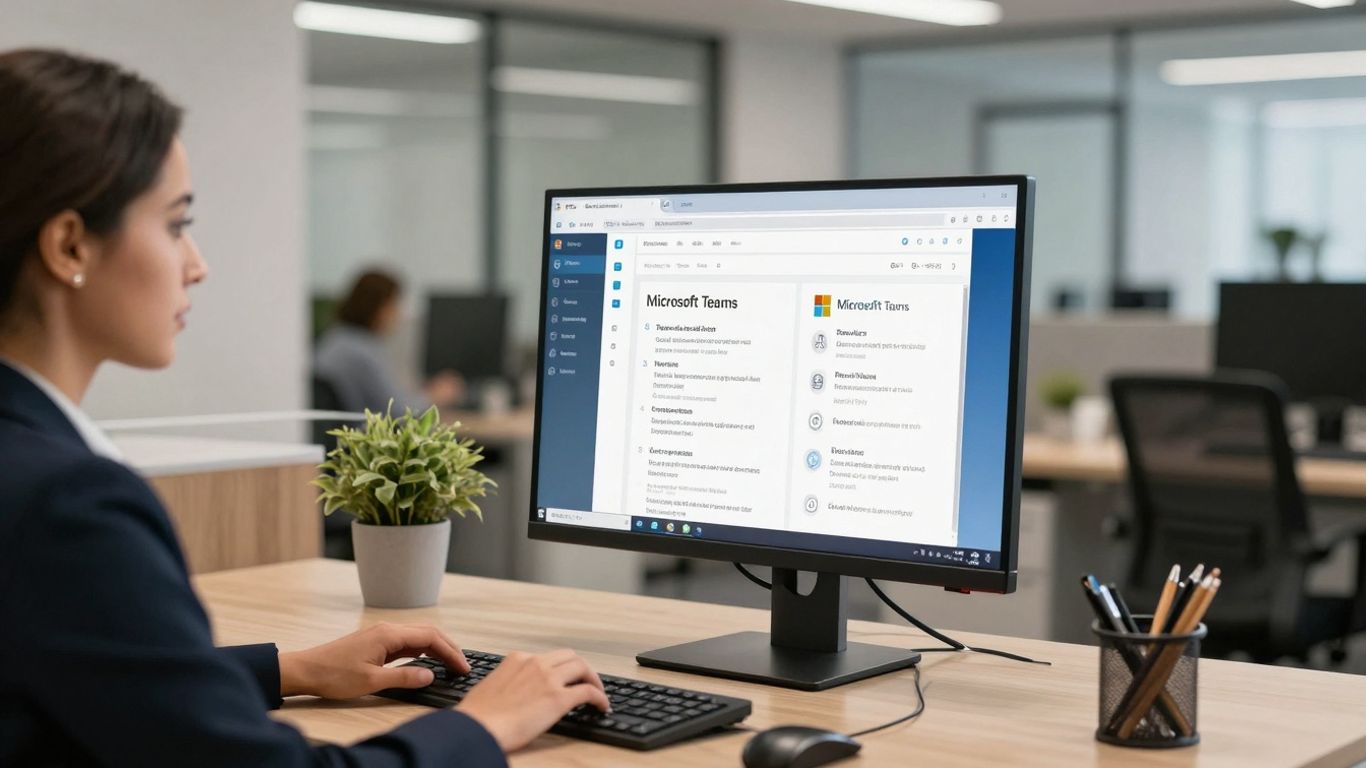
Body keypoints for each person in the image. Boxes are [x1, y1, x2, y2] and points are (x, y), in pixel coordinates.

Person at [0, 48, 608, 766]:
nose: (197, 264)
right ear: (70, 244)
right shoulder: (68, 507)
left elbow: (75, 675)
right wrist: (484, 725)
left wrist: (288, 669)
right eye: (174, 225)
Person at [315, 269, 464, 413]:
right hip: (363, 433)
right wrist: (436, 396)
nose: (398, 314)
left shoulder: (337, 338)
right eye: (394, 306)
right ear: (377, 307)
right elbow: (399, 411)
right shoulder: (362, 351)